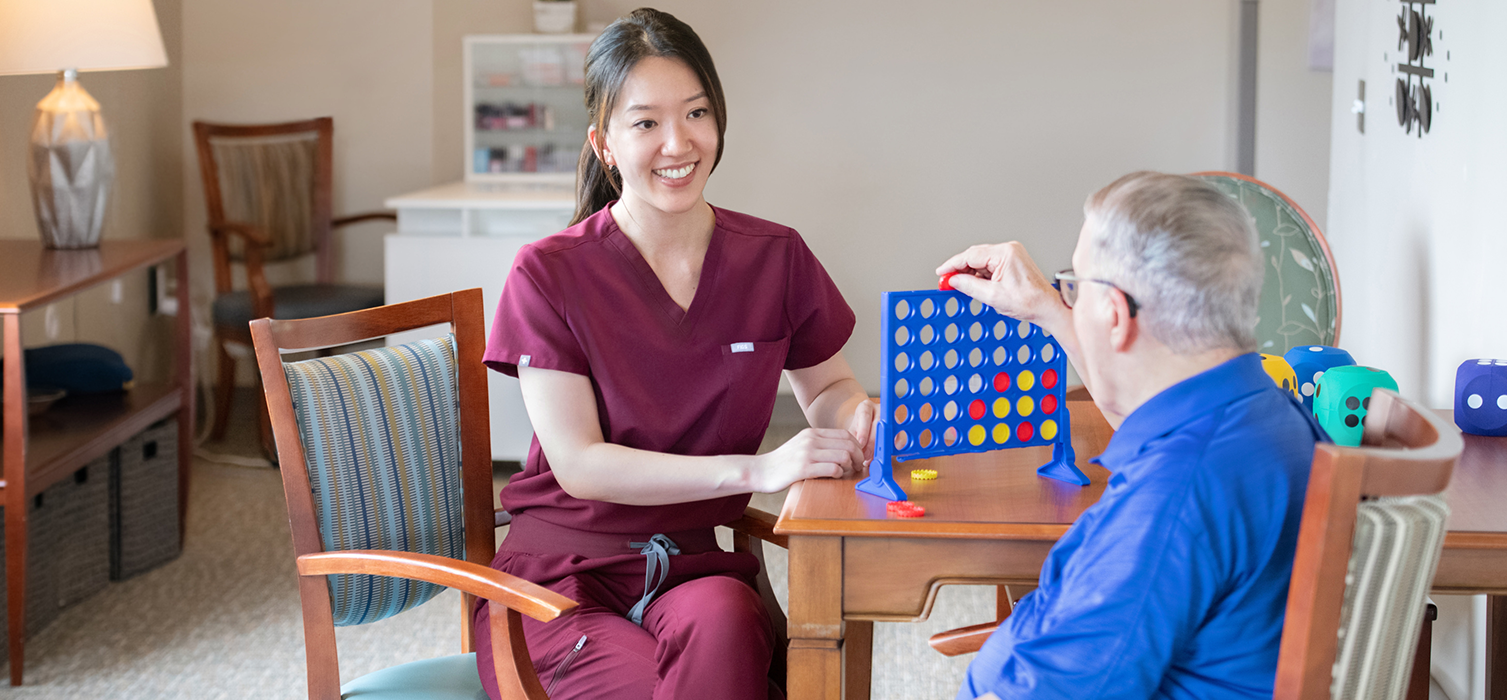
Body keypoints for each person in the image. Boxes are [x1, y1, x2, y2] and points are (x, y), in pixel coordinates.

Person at [474, 9, 876, 700]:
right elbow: (580, 465)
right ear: (604, 144)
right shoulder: (548, 273)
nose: (677, 142)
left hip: (694, 572)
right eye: (646, 122)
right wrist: (760, 468)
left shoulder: (773, 257)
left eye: (695, 113)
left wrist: (858, 414)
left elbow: (828, 385)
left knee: (726, 626)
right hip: (559, 578)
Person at [938, 172, 1330, 700]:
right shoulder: (1259, 412)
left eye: (1076, 286)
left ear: (1116, 315)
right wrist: (1049, 310)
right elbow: (1141, 412)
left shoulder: (1174, 496)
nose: (1070, 301)